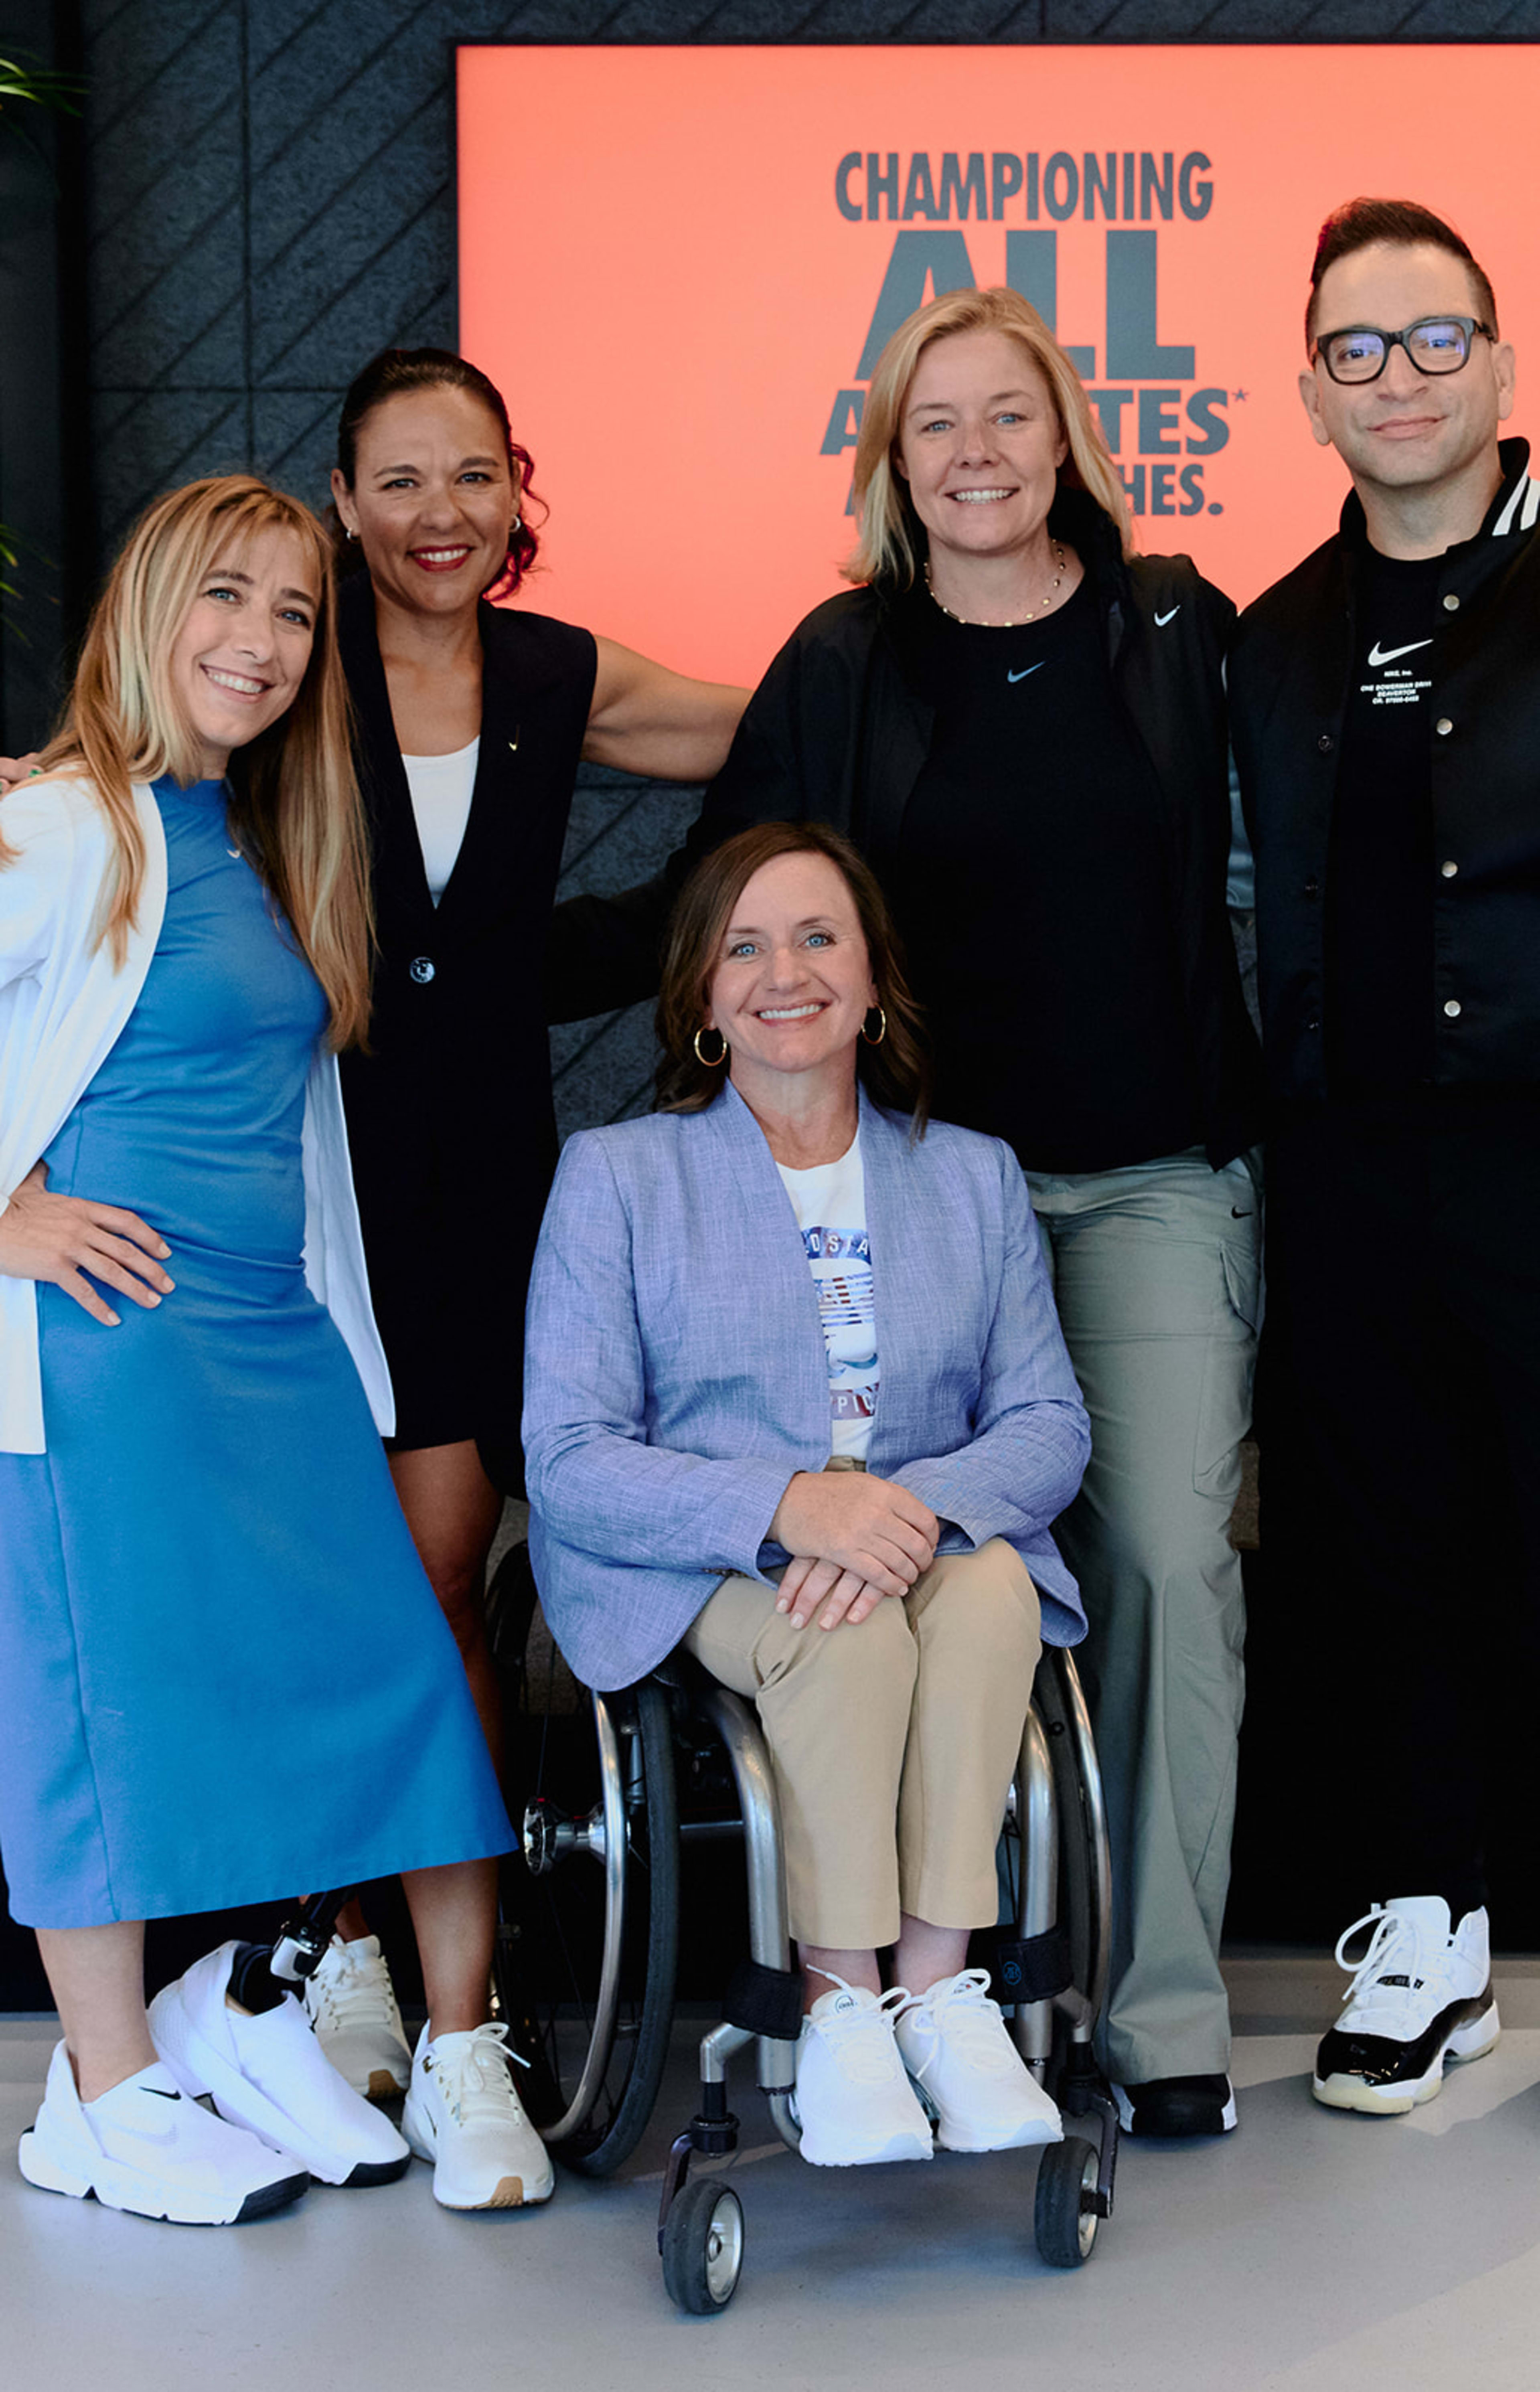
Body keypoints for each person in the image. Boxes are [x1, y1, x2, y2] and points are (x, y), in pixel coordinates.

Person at [585, 288, 1264, 2136]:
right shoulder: (848, 661)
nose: (975, 453)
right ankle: (883, 1989)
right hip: (909, 1192)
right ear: (893, 462)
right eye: (935, 424)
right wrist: (433, 967)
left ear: (1068, 436)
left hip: (1139, 1178)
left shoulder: (1174, 629)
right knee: (889, 1572)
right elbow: (712, 899)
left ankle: (1161, 2009)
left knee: (1157, 1571)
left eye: (1008, 416)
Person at [0, 473, 559, 2224]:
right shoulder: (64, 820)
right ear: (145, 613)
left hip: (268, 1338)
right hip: (107, 1349)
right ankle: (96, 2096)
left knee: (375, 1680)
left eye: (293, 613)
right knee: (103, 1712)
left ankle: (227, 2011)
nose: (259, 640)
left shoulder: (241, 829)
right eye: (222, 600)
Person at [278, 348, 749, 2088]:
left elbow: (756, 734)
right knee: (365, 1577)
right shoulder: (291, 659)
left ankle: (441, 1987)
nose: (439, 514)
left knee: (443, 1581)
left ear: (517, 494)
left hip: (495, 1183)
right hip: (315, 1173)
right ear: (342, 500)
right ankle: (344, 1949)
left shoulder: (551, 673)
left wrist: (634, 940)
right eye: (400, 480)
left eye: (474, 476)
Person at [523, 820, 1090, 2167]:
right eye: (746, 946)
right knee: (844, 1622)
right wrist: (792, 1509)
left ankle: (945, 1998)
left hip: (917, 1536)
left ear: (875, 977)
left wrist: (909, 1519)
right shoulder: (621, 1177)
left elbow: (1048, 1422)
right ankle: (842, 2008)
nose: (788, 971)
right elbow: (572, 1454)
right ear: (704, 997)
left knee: (996, 1583)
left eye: (820, 936)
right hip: (706, 1560)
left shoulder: (971, 1175)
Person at [1228, 198, 1539, 2116]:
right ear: (1310, 393)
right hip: (1350, 1164)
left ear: (1503, 365)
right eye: (1361, 349)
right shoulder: (1271, 640)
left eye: (1438, 340)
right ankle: (1433, 1929)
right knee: (1399, 1552)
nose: (1401, 378)